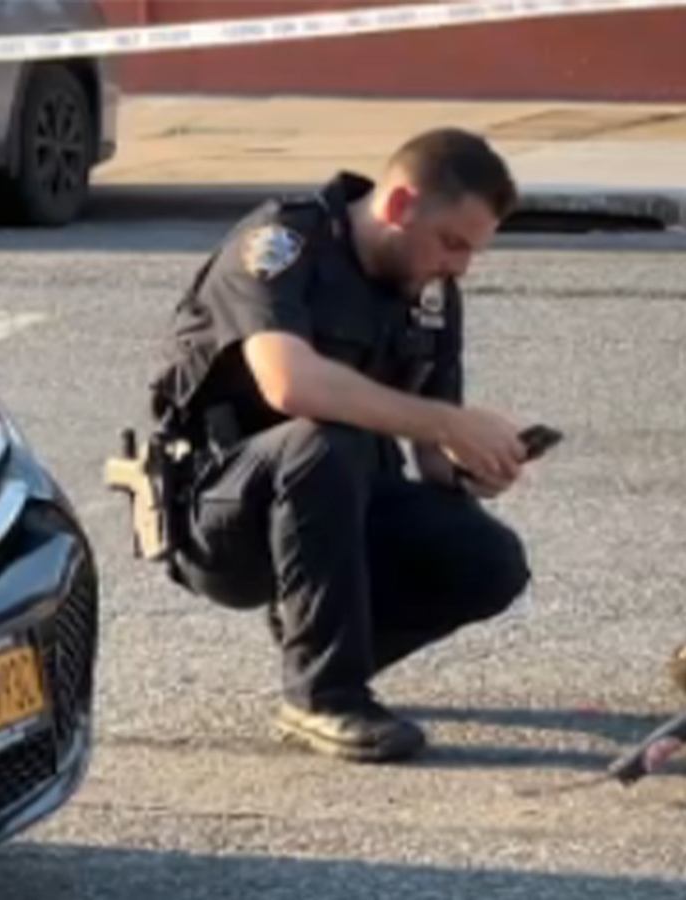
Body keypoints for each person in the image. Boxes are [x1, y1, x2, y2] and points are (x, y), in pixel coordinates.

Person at [144, 128, 535, 763]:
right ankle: (322, 696)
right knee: (322, 441)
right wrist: (447, 424)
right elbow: (289, 383)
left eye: (472, 252)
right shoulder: (283, 245)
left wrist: (476, 466)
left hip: (343, 504)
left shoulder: (431, 296)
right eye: (453, 243)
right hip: (224, 513)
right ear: (401, 205)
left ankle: (322, 637)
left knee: (490, 561)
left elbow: (433, 454)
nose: (460, 266)